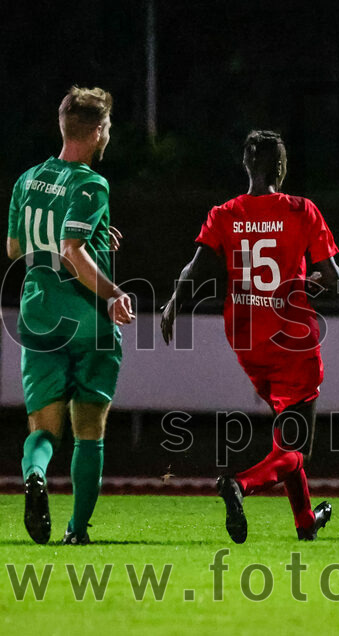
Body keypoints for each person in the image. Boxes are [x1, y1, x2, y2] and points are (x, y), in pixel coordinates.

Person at [161, 130, 339, 543]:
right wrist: (309, 282)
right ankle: (239, 484)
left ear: (246, 164)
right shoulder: (301, 210)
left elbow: (194, 269)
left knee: (285, 433)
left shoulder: (225, 213)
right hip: (292, 337)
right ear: (279, 166)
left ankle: (305, 521)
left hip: (247, 341)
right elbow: (333, 278)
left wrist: (173, 304)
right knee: (297, 449)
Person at [6, 86, 134, 545]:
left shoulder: (27, 179)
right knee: (89, 432)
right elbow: (72, 251)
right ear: (97, 132)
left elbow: (15, 248)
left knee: (43, 429)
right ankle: (77, 530)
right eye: (108, 127)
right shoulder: (90, 183)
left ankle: (35, 474)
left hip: (39, 316)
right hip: (86, 322)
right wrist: (114, 292)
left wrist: (95, 237)